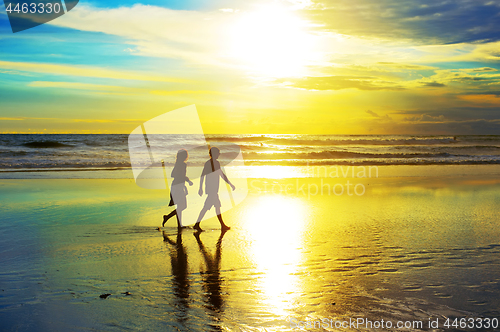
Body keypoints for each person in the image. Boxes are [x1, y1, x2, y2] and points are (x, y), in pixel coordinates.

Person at [194, 147, 234, 232]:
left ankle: (198, 224)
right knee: (209, 207)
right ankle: (197, 224)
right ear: (214, 154)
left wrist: (230, 183)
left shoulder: (215, 163)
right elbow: (203, 174)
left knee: (216, 207)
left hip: (213, 189)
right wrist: (200, 188)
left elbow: (221, 174)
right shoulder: (210, 163)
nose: (219, 154)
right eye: (218, 153)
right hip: (212, 189)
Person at [163, 149, 193, 229]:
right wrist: (187, 180)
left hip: (177, 185)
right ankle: (168, 217)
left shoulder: (178, 164)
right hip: (178, 186)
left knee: (180, 206)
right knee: (182, 206)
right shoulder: (182, 164)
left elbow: (173, 174)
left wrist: (185, 179)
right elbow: (175, 175)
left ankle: (179, 224)